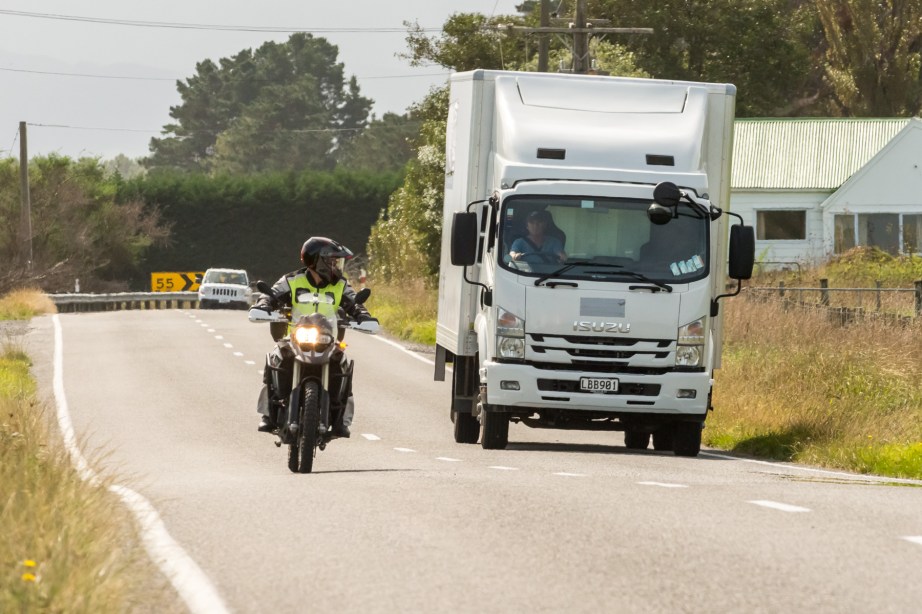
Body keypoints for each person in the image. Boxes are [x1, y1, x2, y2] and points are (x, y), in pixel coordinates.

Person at [253, 236, 376, 438]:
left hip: (328, 339)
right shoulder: (291, 281)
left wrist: (362, 315)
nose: (337, 266)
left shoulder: (340, 286)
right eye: (333, 261)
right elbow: (271, 294)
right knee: (275, 359)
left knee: (343, 365)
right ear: (318, 261)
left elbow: (355, 303)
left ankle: (342, 420)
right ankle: (268, 414)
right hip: (294, 338)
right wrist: (264, 304)